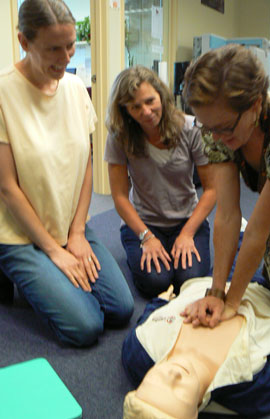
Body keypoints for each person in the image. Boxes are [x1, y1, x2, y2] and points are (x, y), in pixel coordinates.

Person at [0, 0, 133, 347]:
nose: (66, 57)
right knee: (86, 326)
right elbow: (6, 188)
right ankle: (30, 275)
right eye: (53, 48)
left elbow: (86, 162)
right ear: (24, 42)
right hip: (20, 234)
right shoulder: (3, 93)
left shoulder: (75, 89)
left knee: (121, 309)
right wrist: (53, 251)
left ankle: (49, 281)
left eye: (71, 44)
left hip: (67, 226)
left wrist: (76, 233)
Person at [122, 233, 270, 418]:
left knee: (236, 245)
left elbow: (144, 324)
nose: (174, 374)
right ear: (195, 411)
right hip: (262, 298)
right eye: (177, 393)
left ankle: (242, 234)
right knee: (261, 244)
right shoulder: (250, 392)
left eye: (156, 381)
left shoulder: (138, 356)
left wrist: (159, 302)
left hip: (208, 289)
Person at [180, 43, 270, 328]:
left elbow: (257, 230)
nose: (216, 137)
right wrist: (217, 292)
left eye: (224, 127)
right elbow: (226, 215)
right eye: (207, 127)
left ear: (256, 104)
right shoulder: (217, 128)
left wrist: (233, 302)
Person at [104, 66, 216, 297]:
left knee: (190, 280)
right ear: (124, 109)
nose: (146, 111)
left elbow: (212, 190)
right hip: (145, 222)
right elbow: (120, 197)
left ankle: (175, 245)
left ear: (161, 96)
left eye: (150, 101)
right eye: (135, 107)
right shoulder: (119, 135)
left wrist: (187, 234)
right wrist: (146, 237)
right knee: (157, 282)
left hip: (187, 219)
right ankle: (135, 244)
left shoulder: (191, 129)